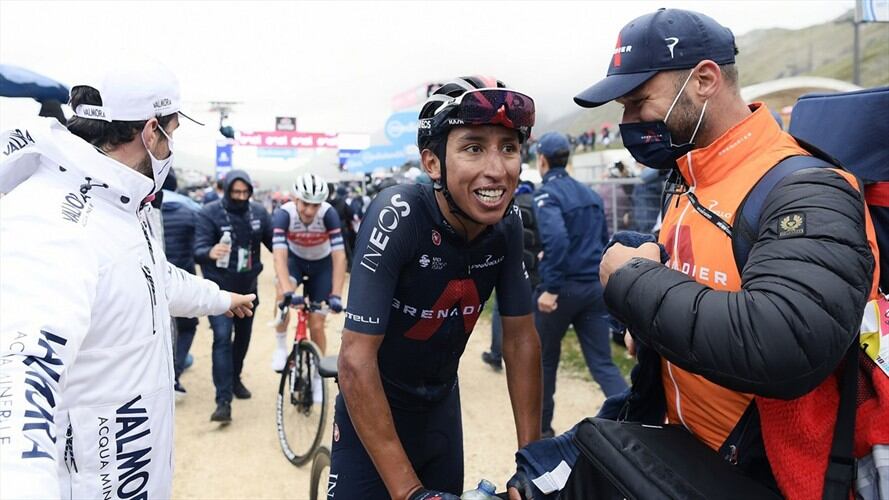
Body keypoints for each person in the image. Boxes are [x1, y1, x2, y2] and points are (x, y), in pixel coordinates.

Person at [574, 8, 877, 498]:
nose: (628, 122)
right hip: (681, 454)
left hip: (763, 476)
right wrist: (646, 329)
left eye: (638, 102)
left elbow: (787, 341)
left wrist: (631, 281)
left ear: (704, 80)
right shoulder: (687, 174)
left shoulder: (807, 187)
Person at [0, 59, 256, 500]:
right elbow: (23, 382)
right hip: (91, 480)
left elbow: (152, 277)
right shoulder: (55, 221)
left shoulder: (117, 200)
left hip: (133, 473)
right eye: (172, 133)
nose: (171, 147)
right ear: (151, 132)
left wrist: (219, 298)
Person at [331, 76, 543, 500]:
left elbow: (521, 339)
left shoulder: (508, 223)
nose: (497, 169)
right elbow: (355, 360)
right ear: (432, 163)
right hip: (374, 407)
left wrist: (533, 461)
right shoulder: (399, 214)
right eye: (473, 148)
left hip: (440, 408)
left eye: (508, 147)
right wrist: (410, 491)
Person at [532, 131, 627, 438]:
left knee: (545, 362)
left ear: (542, 160)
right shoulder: (589, 193)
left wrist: (551, 287)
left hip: (562, 291)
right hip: (593, 289)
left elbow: (557, 239)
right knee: (602, 363)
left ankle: (542, 431)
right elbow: (603, 241)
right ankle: (634, 421)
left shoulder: (547, 194)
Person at [195, 169, 273, 423]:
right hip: (218, 291)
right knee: (221, 338)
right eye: (235, 192)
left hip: (248, 289)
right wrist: (210, 252)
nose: (240, 196)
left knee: (242, 338)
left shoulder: (259, 213)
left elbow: (276, 244)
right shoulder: (209, 213)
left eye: (245, 192)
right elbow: (198, 249)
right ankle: (223, 401)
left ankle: (235, 378)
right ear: (227, 190)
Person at [270, 172, 346, 368]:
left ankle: (317, 372)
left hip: (322, 265)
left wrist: (336, 294)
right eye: (305, 203)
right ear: (295, 198)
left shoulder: (328, 213)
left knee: (317, 323)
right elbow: (279, 256)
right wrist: (288, 291)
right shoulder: (284, 214)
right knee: (281, 294)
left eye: (316, 205)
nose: (310, 210)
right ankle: (280, 347)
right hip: (295, 262)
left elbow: (339, 256)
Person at [482, 179, 542, 371]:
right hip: (535, 269)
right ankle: (531, 357)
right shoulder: (539, 203)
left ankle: (496, 354)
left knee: (501, 311)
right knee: (529, 314)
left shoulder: (507, 205)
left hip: (511, 269)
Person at [160, 170, 204, 399]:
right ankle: (174, 377)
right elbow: (201, 245)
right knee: (187, 326)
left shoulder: (142, 203)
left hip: (151, 280)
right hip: (182, 279)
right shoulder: (191, 208)